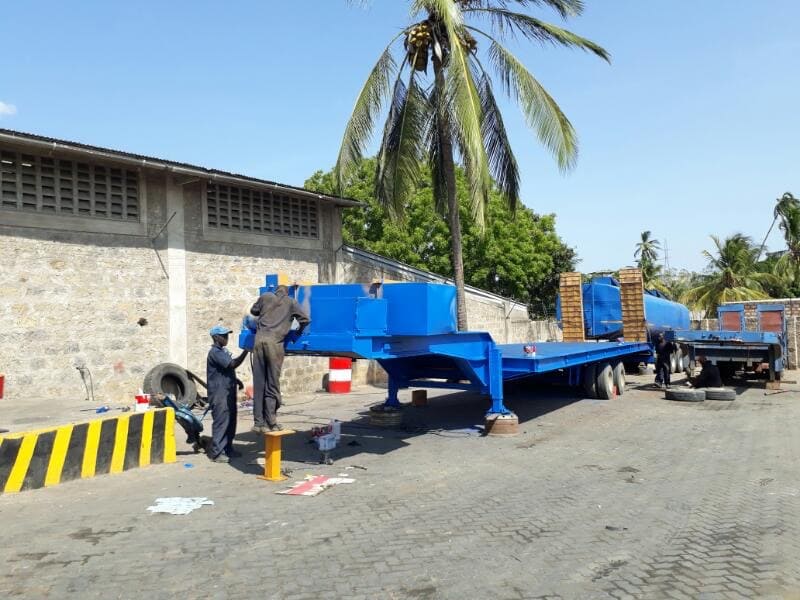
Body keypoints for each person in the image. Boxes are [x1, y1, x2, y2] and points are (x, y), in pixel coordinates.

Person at [250, 284, 311, 433]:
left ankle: (258, 423)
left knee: (259, 383)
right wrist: (298, 332)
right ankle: (271, 422)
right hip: (275, 345)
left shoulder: (265, 296)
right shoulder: (291, 302)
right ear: (287, 292)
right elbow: (305, 320)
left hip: (258, 342)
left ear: (276, 290)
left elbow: (253, 311)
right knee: (272, 384)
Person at [206, 324, 249, 463]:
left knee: (231, 421)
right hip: (219, 394)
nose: (226, 338)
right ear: (215, 337)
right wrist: (246, 351)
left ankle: (228, 448)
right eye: (223, 336)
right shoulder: (215, 352)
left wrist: (236, 380)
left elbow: (224, 371)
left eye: (227, 335)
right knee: (221, 422)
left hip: (227, 392)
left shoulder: (222, 351)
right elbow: (232, 364)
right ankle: (217, 453)